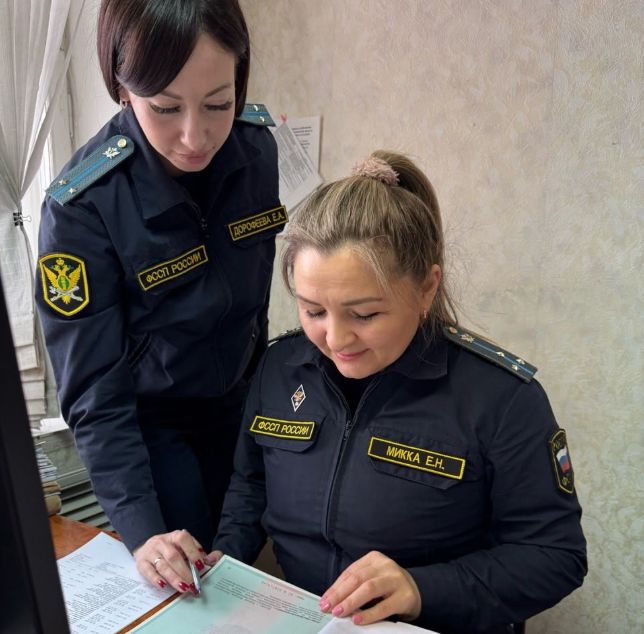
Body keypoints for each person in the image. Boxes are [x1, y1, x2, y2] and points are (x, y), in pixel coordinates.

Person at [211, 151, 587, 632]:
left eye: (364, 314)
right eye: (313, 311)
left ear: (426, 288)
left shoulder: (501, 398)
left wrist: (420, 589)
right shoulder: (279, 367)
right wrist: (221, 561)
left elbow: (555, 555)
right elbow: (250, 484)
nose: (336, 339)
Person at [35, 0, 285, 594]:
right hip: (152, 426)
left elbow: (256, 306)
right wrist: (144, 531)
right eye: (166, 108)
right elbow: (94, 390)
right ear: (123, 89)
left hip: (240, 404)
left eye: (219, 103)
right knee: (184, 575)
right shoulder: (82, 206)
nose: (196, 137)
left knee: (247, 566)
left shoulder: (256, 149)